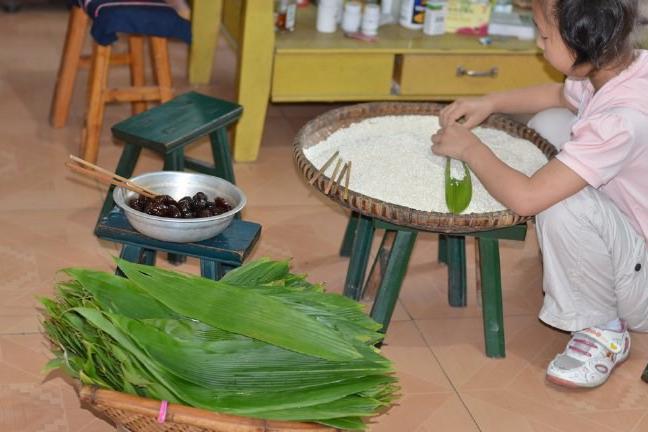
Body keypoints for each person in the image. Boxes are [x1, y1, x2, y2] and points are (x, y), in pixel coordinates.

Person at [431, 0, 648, 388]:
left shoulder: (623, 119)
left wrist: (470, 149)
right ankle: (585, 263)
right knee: (550, 124)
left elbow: (528, 199)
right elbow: (558, 97)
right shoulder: (619, 66)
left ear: (582, 46)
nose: (538, 43)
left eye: (544, 35)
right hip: (632, 227)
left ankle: (602, 329)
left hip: (643, 282)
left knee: (559, 200)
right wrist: (491, 102)